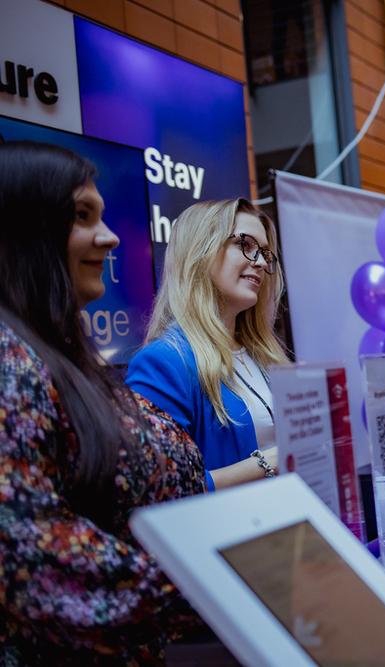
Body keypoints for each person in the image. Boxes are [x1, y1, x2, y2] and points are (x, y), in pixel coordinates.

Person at [0, 140, 206, 664]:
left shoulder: (65, 357)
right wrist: (217, 583)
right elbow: (31, 554)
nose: (110, 237)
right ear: (26, 230)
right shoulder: (10, 360)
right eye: (81, 216)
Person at [127, 199, 289, 491]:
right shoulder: (164, 362)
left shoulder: (266, 355)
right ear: (201, 250)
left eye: (265, 252)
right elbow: (159, 490)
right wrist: (269, 462)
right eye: (246, 244)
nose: (263, 262)